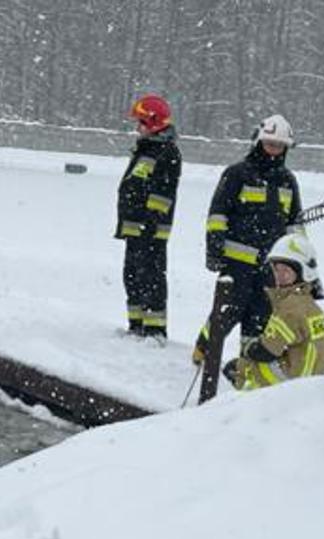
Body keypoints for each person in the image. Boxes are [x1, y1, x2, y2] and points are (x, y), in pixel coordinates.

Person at [196, 114, 302, 367]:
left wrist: (300, 262)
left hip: (271, 266)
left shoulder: (288, 180)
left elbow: (295, 224)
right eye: (270, 144)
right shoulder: (237, 174)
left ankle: (248, 363)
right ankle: (204, 350)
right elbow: (218, 214)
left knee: (261, 315)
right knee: (228, 310)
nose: (274, 150)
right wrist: (215, 248)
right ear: (259, 143)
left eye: (279, 146)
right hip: (236, 262)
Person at [224, 234, 324, 390]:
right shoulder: (309, 304)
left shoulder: (289, 308)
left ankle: (250, 404)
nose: (279, 276)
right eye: (276, 269)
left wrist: (248, 351)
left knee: (243, 368)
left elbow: (266, 351)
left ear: (303, 272)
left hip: (294, 381)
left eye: (286, 270)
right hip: (314, 377)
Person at [115, 93, 182, 340]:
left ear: (153, 123)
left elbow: (163, 190)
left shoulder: (166, 152)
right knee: (132, 276)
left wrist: (152, 219)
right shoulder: (146, 150)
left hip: (150, 229)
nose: (137, 127)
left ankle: (154, 330)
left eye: (141, 123)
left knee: (151, 277)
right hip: (135, 228)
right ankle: (136, 325)